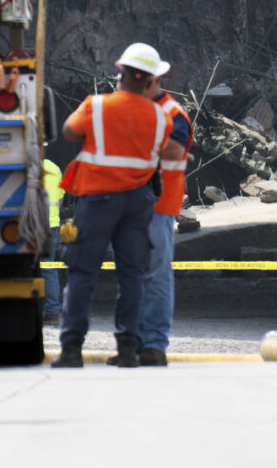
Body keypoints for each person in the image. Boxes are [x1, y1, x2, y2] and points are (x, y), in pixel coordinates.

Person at [51, 43, 174, 368]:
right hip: (138, 203)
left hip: (97, 200)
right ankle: (129, 350)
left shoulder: (97, 105)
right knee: (132, 274)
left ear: (120, 75)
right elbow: (163, 150)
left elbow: (68, 132)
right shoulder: (161, 118)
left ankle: (72, 349)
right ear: (149, 81)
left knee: (82, 273)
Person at [107, 61, 192, 367]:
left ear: (155, 81)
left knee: (155, 274)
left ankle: (154, 345)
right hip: (128, 205)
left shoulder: (172, 112)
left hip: (158, 205)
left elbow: (175, 149)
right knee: (131, 276)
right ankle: (131, 343)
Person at [41, 158, 65, 324]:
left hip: (32, 224)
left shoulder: (28, 168)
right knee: (48, 267)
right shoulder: (55, 168)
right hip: (52, 224)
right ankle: (52, 312)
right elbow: (61, 200)